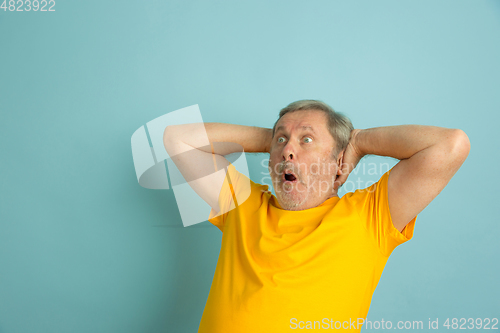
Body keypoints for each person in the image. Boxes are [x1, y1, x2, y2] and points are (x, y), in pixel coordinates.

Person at [163, 100, 470, 332]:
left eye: (307, 140)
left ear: (340, 162)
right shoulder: (242, 203)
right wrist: (273, 139)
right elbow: (176, 138)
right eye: (281, 141)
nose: (287, 151)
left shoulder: (371, 215)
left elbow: (450, 145)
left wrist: (359, 142)